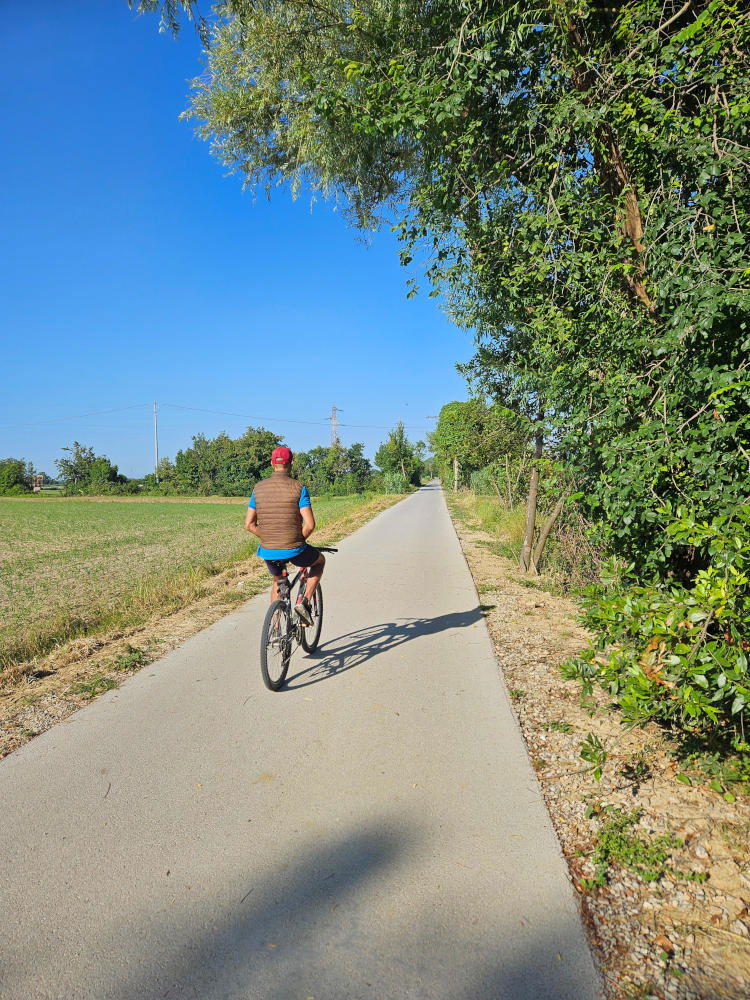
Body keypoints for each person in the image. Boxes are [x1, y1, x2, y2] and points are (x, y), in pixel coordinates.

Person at [244, 445, 325, 625]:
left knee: (278, 580)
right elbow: (310, 524)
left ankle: (275, 628)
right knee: (319, 562)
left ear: (272, 463)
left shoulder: (258, 488)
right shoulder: (299, 487)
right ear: (291, 464)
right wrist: (296, 539)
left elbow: (249, 525)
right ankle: (304, 603)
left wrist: (269, 537)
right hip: (294, 549)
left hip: (268, 550)